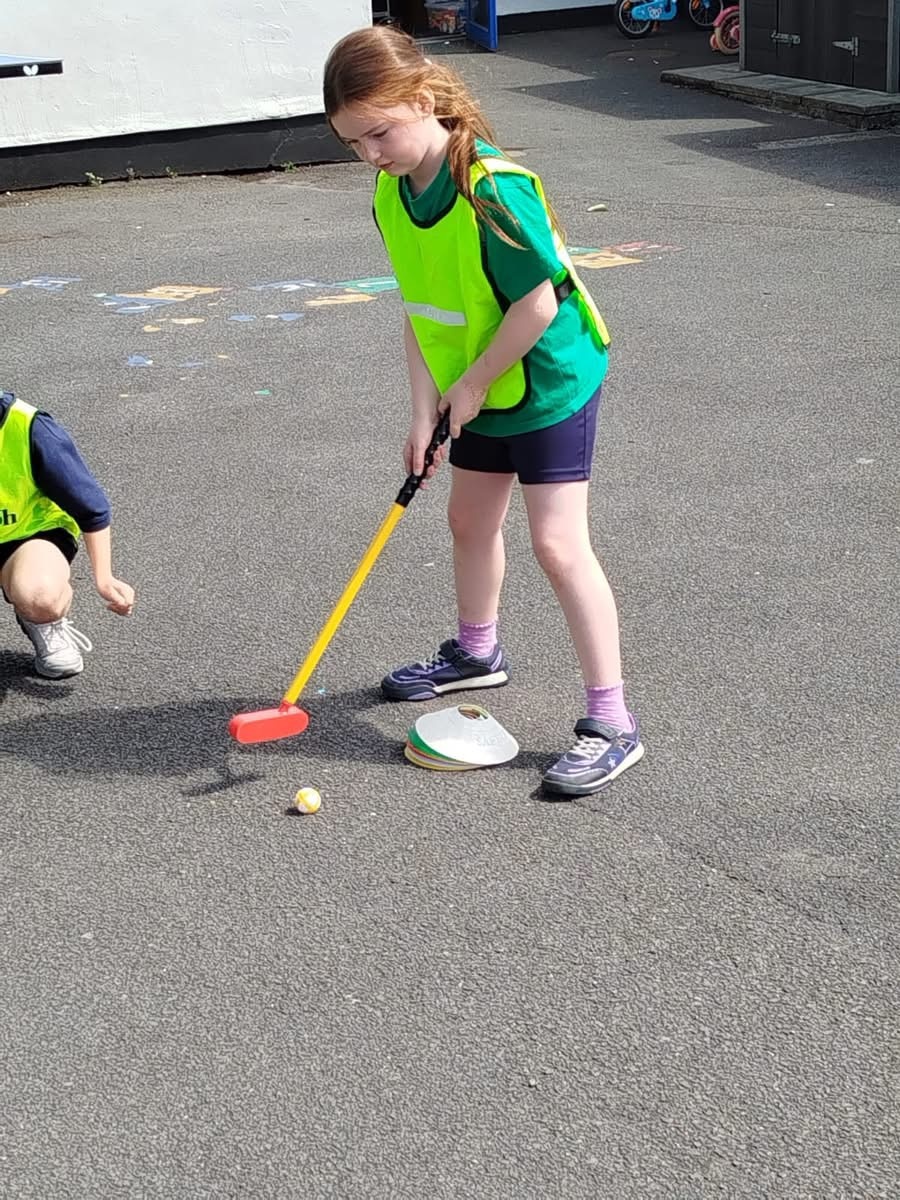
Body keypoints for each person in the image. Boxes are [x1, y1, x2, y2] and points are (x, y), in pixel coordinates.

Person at [323, 26, 643, 797]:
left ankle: (613, 722)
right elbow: (420, 309)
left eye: (379, 133)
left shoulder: (493, 189)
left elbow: (538, 304)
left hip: (547, 380)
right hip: (477, 380)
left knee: (558, 545)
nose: (370, 155)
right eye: (353, 142)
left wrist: (469, 387)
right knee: (468, 521)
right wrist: (422, 411)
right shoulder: (392, 193)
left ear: (422, 99)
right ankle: (478, 653)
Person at [0, 390, 134, 678]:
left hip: (27, 536)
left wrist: (104, 578)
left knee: (40, 593)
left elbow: (91, 509)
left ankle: (44, 623)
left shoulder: (29, 426)